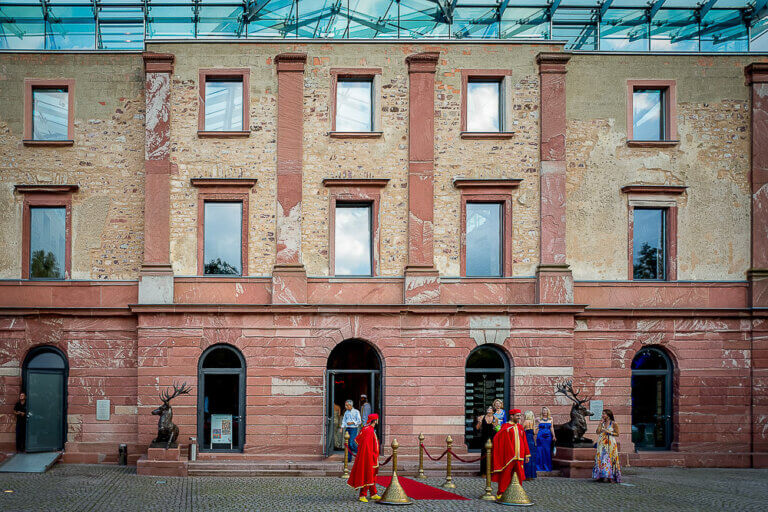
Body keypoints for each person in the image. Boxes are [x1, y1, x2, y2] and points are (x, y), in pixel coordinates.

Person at [492, 409, 530, 499]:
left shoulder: (520, 427)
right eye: (517, 416)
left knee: (519, 475)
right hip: (509, 456)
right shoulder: (505, 426)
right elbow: (497, 438)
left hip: (519, 456)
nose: (519, 417)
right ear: (512, 416)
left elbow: (524, 441)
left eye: (520, 415)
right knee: (505, 475)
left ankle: (518, 493)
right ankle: (501, 493)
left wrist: (527, 454)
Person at [347, 413, 382, 503]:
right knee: (367, 475)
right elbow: (365, 445)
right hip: (369, 457)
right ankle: (362, 495)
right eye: (377, 419)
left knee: (372, 475)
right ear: (375, 420)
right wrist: (368, 456)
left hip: (373, 456)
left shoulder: (368, 429)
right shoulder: (369, 430)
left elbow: (359, 440)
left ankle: (373, 493)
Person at [592, 409, 622, 483]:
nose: (602, 415)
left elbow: (617, 434)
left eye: (603, 414)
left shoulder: (613, 423)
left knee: (610, 458)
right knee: (601, 458)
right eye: (602, 414)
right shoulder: (602, 423)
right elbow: (597, 432)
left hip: (610, 443)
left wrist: (608, 432)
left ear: (608, 415)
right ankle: (601, 476)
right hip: (601, 443)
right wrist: (600, 424)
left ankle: (611, 477)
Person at [475, 406, 496, 476]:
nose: (489, 409)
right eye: (488, 408)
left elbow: (496, 428)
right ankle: (483, 472)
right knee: (484, 453)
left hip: (492, 437)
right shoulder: (482, 417)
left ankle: (491, 471)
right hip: (484, 437)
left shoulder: (495, 418)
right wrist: (480, 422)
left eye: (490, 409)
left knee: (492, 453)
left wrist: (495, 426)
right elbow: (477, 428)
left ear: (493, 411)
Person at [536, 406, 556, 472]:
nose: (544, 412)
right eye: (543, 410)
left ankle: (547, 466)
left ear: (548, 411)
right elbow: (533, 425)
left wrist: (554, 436)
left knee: (547, 450)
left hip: (548, 437)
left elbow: (551, 428)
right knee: (540, 451)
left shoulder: (551, 418)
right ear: (541, 412)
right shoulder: (538, 419)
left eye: (546, 410)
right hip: (540, 437)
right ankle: (539, 466)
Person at [522, 410, 538, 480]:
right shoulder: (532, 422)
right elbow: (534, 433)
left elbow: (521, 430)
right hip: (532, 440)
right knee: (532, 457)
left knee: (526, 456)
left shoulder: (526, 422)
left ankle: (526, 475)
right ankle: (531, 475)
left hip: (526, 440)